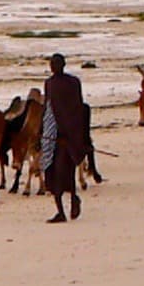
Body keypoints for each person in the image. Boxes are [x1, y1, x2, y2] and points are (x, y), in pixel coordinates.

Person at [40, 53, 91, 223]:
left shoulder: (56, 84)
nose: (52, 67)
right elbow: (54, 109)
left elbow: (62, 109)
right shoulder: (70, 83)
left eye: (54, 64)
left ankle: (71, 202)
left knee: (62, 173)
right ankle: (62, 209)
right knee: (59, 174)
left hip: (63, 136)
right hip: (61, 135)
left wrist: (64, 133)